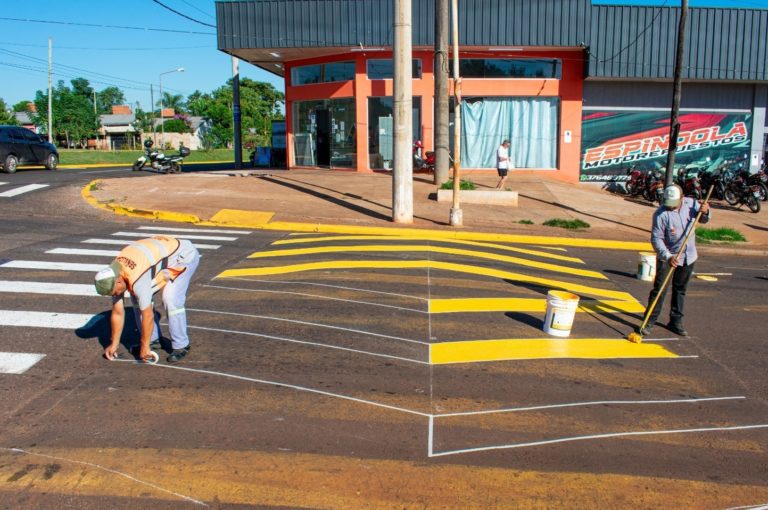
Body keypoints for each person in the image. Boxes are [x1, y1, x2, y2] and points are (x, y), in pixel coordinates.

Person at [94, 235, 200, 363]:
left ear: (118, 281)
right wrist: (114, 344)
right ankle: (153, 340)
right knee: (138, 298)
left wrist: (144, 347)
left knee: (170, 298)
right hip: (158, 259)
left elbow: (147, 315)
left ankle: (181, 345)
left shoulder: (136, 278)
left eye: (114, 292)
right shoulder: (114, 272)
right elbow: (117, 312)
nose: (115, 295)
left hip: (183, 256)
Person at [640, 184, 710, 337]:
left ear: (682, 198)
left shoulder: (692, 204)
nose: (670, 207)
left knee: (680, 289)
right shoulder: (660, 214)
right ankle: (649, 321)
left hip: (688, 256)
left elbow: (704, 219)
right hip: (668, 256)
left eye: (673, 204)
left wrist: (706, 212)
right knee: (659, 290)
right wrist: (668, 256)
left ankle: (675, 321)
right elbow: (656, 239)